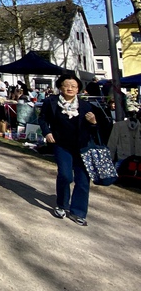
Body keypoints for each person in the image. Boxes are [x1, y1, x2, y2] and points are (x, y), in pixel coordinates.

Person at [38, 74, 99, 226]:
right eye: (67, 85)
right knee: (65, 175)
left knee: (83, 181)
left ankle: (78, 212)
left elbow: (96, 130)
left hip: (83, 147)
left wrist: (93, 122)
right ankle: (61, 204)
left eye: (74, 86)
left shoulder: (85, 106)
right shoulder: (51, 102)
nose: (70, 88)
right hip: (62, 144)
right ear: (60, 87)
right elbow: (42, 119)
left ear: (78, 89)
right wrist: (47, 132)